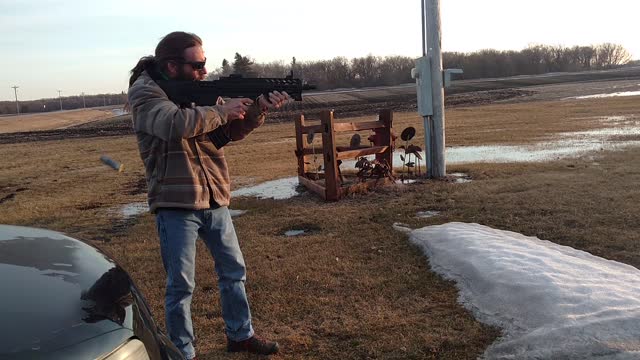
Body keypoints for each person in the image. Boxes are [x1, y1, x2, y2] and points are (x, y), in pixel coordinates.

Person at [127, 31, 290, 359]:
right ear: (173, 67)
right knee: (180, 286)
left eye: (205, 64)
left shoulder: (199, 91)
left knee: (233, 271)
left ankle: (240, 335)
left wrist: (257, 109)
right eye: (197, 64)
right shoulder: (145, 93)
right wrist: (221, 110)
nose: (204, 70)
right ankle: (183, 352)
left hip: (214, 194)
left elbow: (224, 134)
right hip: (176, 201)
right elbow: (174, 124)